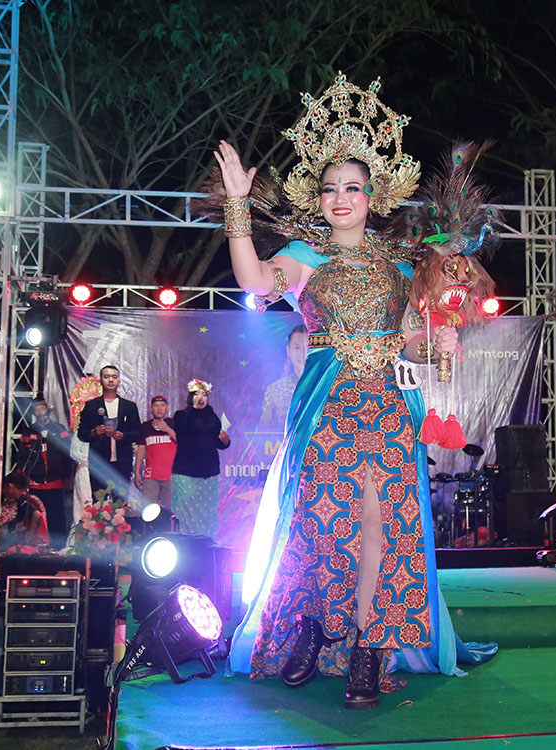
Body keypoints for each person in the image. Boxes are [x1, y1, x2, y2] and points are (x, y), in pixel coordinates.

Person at [205, 73, 496, 709]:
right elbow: (252, 279)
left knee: (375, 521)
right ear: (319, 197)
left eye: (353, 187)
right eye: (330, 188)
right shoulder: (304, 256)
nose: (341, 198)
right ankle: (311, 627)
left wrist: (440, 344)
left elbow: (413, 339)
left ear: (374, 194)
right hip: (328, 401)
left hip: (389, 403)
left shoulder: (403, 265)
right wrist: (238, 207)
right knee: (317, 520)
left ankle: (368, 645)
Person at [170, 379, 230, 538]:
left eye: (204, 394)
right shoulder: (181, 416)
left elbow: (216, 442)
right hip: (186, 472)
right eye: (197, 394)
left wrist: (225, 442)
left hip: (209, 471)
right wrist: (194, 408)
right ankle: (184, 543)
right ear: (190, 397)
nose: (201, 397)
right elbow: (182, 433)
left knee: (207, 512)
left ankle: (206, 542)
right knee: (184, 512)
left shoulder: (212, 417)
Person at [14, 397, 74, 548]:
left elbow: (67, 454)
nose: (40, 412)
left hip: (54, 481)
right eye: (36, 410)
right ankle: (33, 546)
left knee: (56, 515)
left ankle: (58, 546)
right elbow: (22, 456)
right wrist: (22, 476)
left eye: (42, 408)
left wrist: (68, 475)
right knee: (34, 514)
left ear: (47, 410)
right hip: (35, 482)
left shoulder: (58, 429)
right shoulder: (29, 431)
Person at [77, 365, 142, 502]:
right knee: (98, 502)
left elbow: (138, 432)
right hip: (99, 462)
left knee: (121, 502)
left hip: (122, 462)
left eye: (114, 377)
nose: (110, 380)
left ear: (119, 381)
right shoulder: (91, 406)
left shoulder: (129, 406)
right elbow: (81, 434)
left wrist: (123, 436)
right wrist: (94, 432)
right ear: (100, 380)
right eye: (106, 377)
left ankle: (121, 517)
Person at [261, 325, 308, 430]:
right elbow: (265, 429)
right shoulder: (275, 389)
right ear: (288, 351)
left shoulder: (324, 386)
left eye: (308, 347)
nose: (303, 353)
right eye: (297, 348)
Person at [134, 395, 178, 509]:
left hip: (171, 476)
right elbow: (141, 449)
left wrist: (167, 429)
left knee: (170, 510)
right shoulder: (145, 427)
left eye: (162, 405)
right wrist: (137, 472)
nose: (159, 408)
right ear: (151, 408)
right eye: (156, 405)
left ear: (167, 407)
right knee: (148, 509)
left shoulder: (174, 423)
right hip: (151, 476)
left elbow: (183, 442)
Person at [0, 470, 49, 553]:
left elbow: (37, 515)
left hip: (35, 546)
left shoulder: (27, 500)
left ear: (10, 486)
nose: (4, 491)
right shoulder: (27, 500)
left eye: (5, 488)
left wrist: (28, 540)